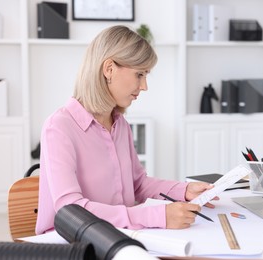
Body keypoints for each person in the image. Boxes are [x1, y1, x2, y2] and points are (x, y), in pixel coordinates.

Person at [35, 25, 217, 234]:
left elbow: (137, 184)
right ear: (109, 69)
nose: (144, 86)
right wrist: (156, 215)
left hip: (120, 235)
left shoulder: (120, 125)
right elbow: (70, 210)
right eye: (139, 74)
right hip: (72, 243)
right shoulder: (59, 127)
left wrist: (184, 190)